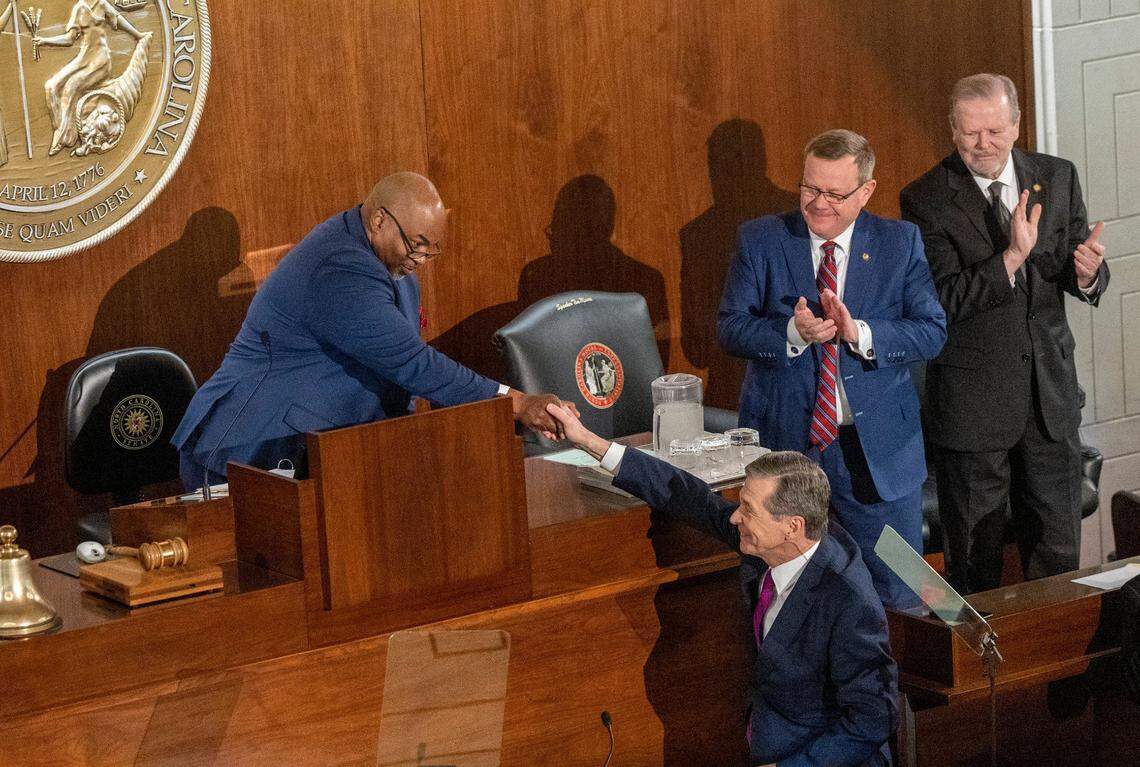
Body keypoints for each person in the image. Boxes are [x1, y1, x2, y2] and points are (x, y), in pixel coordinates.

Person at [173, 172, 576, 491]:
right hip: (243, 454)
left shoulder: (388, 256)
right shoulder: (338, 267)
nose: (421, 259)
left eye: (431, 249)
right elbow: (410, 363)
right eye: (416, 244)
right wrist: (517, 402)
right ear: (380, 218)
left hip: (319, 454)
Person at [546, 402, 898, 767]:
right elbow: (689, 497)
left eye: (747, 509)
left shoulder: (848, 601)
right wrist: (590, 442)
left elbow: (873, 718)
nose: (734, 517)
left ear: (792, 525)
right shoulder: (770, 541)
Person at [718, 129, 946, 606]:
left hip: (877, 456)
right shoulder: (760, 239)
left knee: (904, 592)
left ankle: (897, 683)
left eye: (835, 194)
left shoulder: (899, 242)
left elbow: (931, 331)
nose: (819, 203)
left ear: (866, 191)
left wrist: (859, 332)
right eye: (809, 188)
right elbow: (731, 328)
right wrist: (792, 334)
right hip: (786, 451)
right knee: (783, 597)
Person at [900, 73, 1109, 594]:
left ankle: (1057, 674)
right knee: (974, 567)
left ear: (1016, 124)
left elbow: (1072, 265)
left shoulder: (1056, 177)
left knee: (1059, 558)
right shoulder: (925, 199)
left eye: (995, 131)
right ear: (952, 129)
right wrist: (1011, 257)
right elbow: (942, 301)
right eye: (970, 133)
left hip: (1050, 400)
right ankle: (983, 673)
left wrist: (1089, 275)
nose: (983, 145)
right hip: (974, 409)